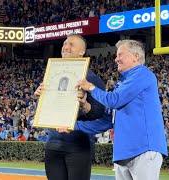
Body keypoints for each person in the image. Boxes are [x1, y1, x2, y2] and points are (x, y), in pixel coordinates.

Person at [77, 40, 168, 180]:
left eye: (120, 54)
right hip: (123, 152)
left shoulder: (143, 74)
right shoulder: (123, 85)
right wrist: (73, 126)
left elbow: (113, 100)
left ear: (136, 57)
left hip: (143, 148)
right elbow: (107, 121)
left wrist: (90, 87)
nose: (116, 59)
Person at [34, 34, 105, 180]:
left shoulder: (91, 79)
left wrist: (85, 105)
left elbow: (99, 112)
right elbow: (48, 110)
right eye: (65, 44)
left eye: (71, 44)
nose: (66, 47)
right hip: (53, 143)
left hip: (78, 145)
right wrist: (41, 99)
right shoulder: (52, 76)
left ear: (82, 51)